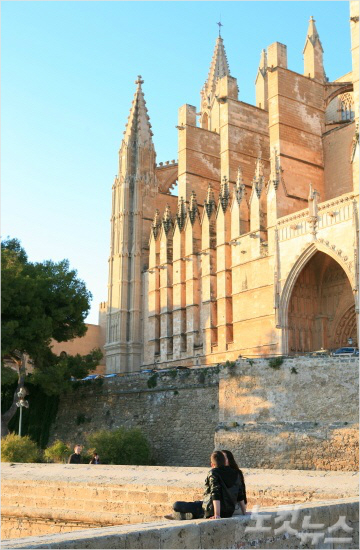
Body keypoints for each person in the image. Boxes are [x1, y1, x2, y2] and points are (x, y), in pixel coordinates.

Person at [165, 451, 243, 520]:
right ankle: (189, 515)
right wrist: (244, 511)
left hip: (211, 509)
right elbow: (240, 494)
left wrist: (217, 514)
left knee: (176, 505)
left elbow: (215, 493)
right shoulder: (235, 473)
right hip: (229, 511)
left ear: (212, 464)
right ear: (224, 461)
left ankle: (183, 515)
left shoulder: (214, 473)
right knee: (197, 503)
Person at [222, 449, 247, 515]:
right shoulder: (217, 472)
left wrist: (244, 510)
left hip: (235, 507)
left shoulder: (236, 473)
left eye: (223, 458)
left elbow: (240, 493)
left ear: (229, 460)